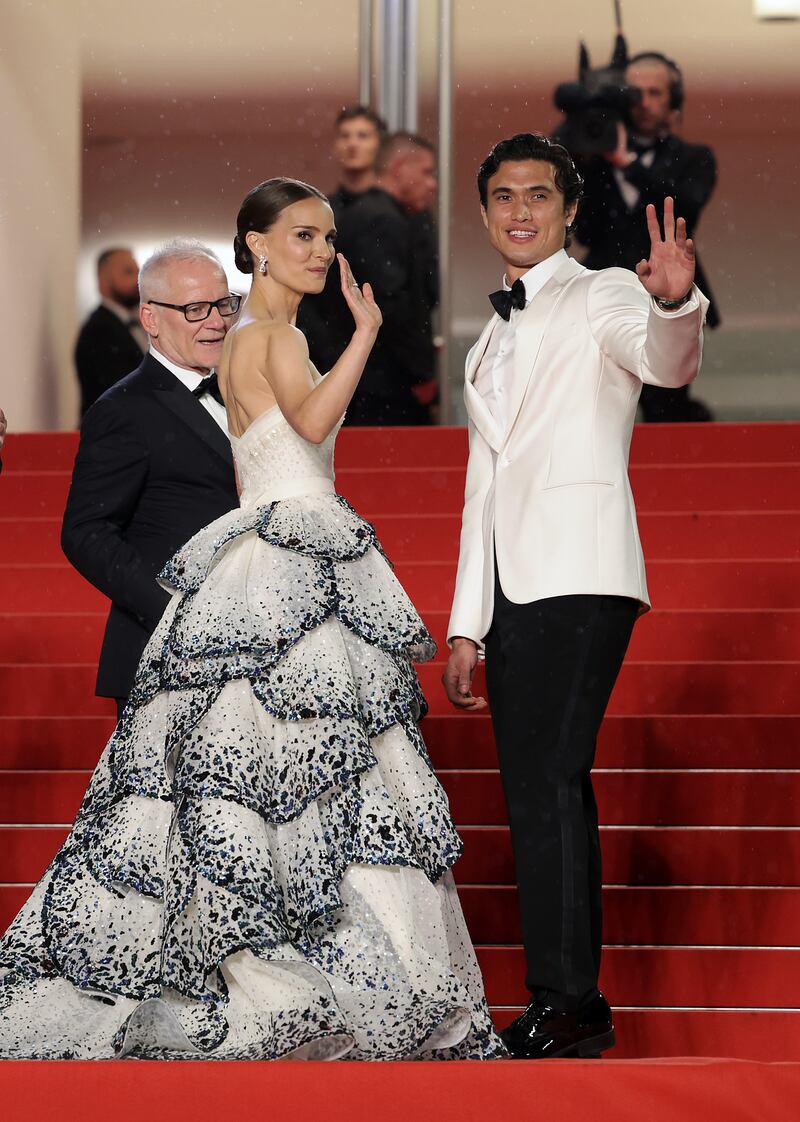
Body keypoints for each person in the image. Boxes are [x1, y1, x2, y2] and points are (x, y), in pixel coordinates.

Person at [0, 178, 504, 1062]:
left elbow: (261, 463)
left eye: (328, 236)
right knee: (281, 794)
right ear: (257, 245)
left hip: (264, 567)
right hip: (249, 583)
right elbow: (307, 423)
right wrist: (372, 336)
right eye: (303, 236)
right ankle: (295, 977)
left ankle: (286, 973)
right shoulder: (266, 339)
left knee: (290, 793)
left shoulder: (252, 340)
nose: (321, 251)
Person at [442, 133, 708, 1059]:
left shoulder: (605, 291)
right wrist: (467, 623)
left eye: (538, 196)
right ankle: (574, 999)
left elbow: (665, 362)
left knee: (546, 782)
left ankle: (567, 1000)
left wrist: (675, 300)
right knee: (538, 790)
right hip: (513, 589)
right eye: (503, 197)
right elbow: (482, 484)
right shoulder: (484, 340)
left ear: (565, 210)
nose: (520, 211)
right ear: (484, 215)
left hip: (582, 572)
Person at [61, 239, 240, 718]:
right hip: (164, 662)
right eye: (196, 308)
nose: (218, 321)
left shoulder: (244, 391)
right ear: (151, 319)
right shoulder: (123, 408)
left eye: (223, 304)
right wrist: (173, 612)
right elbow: (85, 532)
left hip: (250, 655)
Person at [570, 51, 717, 421]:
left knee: (666, 408)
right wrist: (592, 156)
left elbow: (686, 208)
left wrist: (628, 165)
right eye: (634, 93)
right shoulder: (592, 160)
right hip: (600, 298)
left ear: (674, 102)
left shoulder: (695, 156)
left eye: (655, 93)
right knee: (590, 410)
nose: (644, 103)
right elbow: (582, 230)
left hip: (666, 300)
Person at [298, 132, 439, 424]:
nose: (432, 184)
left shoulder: (369, 214)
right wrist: (421, 373)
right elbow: (389, 304)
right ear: (399, 169)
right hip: (381, 385)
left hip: (366, 377)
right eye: (426, 172)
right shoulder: (382, 219)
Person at [75, 247, 148, 416]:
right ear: (103, 281)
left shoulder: (134, 323)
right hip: (114, 432)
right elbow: (121, 389)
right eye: (128, 272)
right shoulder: (99, 330)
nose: (138, 280)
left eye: (139, 271)